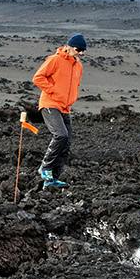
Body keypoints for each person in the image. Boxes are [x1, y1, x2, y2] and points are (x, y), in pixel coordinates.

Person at [29, 34, 87, 190]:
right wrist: (53, 91)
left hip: (65, 107)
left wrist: (70, 98)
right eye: (78, 49)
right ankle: (45, 168)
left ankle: (52, 180)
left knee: (66, 144)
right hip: (50, 104)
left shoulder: (78, 65)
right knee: (60, 135)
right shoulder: (55, 60)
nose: (81, 53)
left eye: (83, 51)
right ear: (68, 46)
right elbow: (38, 77)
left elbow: (74, 85)